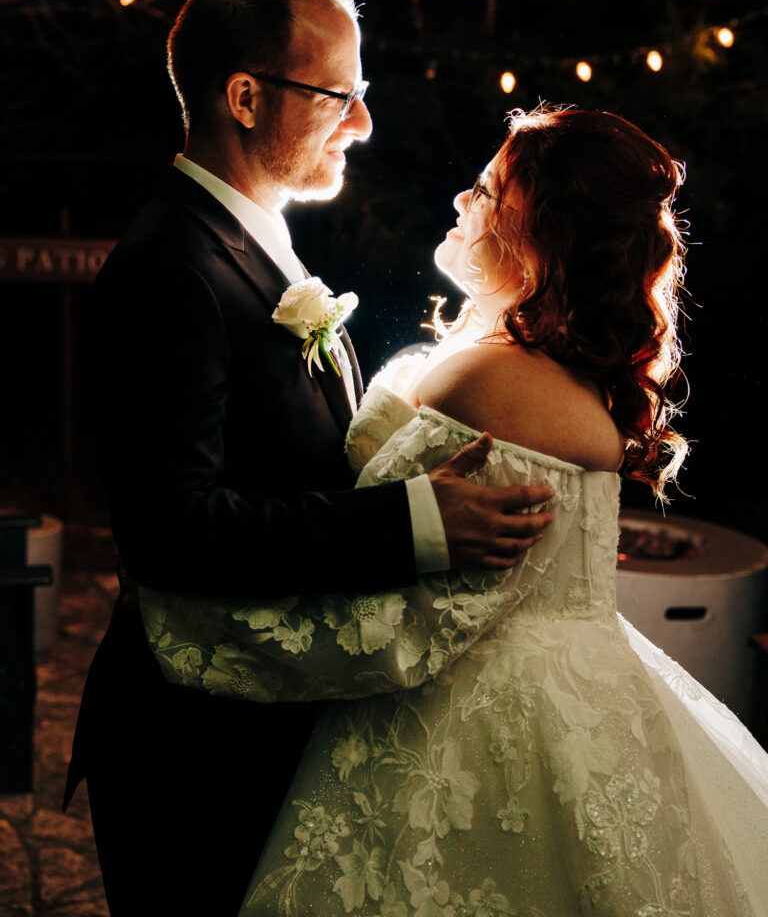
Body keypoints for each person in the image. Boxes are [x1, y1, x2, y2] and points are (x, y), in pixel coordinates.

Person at [141, 106, 768, 916]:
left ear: (542, 232)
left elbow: (400, 616)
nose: (461, 203)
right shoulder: (535, 368)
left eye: (488, 190)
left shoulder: (488, 382)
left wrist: (192, 625)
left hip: (476, 724)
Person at [63, 0, 554, 917]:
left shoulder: (257, 246)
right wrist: (415, 525)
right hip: (189, 749)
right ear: (245, 97)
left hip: (267, 720)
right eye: (340, 93)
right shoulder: (167, 269)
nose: (363, 122)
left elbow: (293, 462)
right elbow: (176, 531)